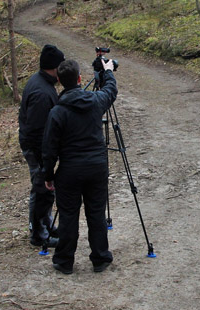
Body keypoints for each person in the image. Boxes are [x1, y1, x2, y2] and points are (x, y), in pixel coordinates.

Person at [42, 58, 117, 274]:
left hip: (69, 171)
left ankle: (65, 261)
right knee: (96, 213)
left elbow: (49, 149)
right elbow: (111, 91)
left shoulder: (57, 111)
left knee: (68, 215)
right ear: (79, 79)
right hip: (96, 168)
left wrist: (48, 175)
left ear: (59, 81)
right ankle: (100, 258)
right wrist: (108, 72)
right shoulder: (95, 101)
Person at [18, 44, 65, 247]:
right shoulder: (42, 93)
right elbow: (38, 131)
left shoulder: (42, 84)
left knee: (44, 190)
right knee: (41, 188)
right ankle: (38, 234)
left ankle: (45, 224)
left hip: (37, 144)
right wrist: (46, 163)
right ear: (54, 68)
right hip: (36, 147)